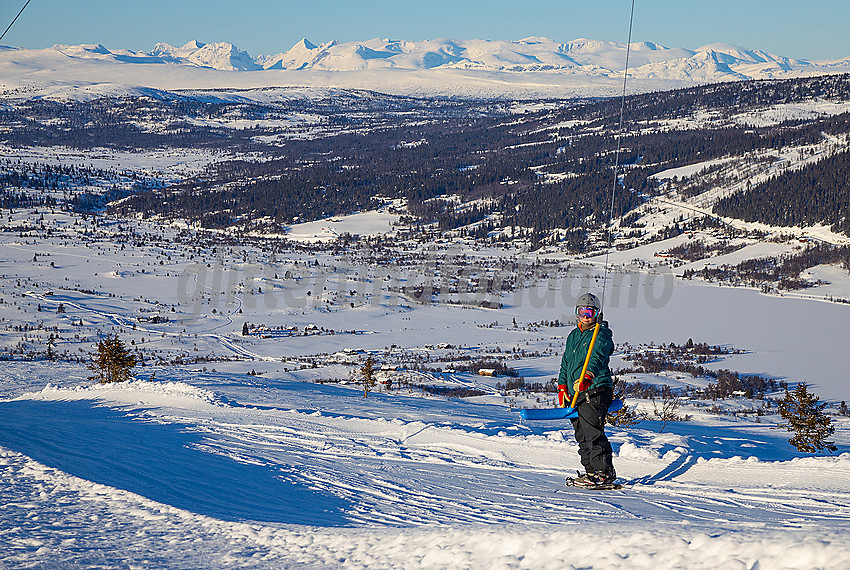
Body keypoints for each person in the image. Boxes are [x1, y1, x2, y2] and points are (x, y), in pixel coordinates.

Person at [558, 292, 616, 486]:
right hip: (575, 392)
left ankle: (604, 472)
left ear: (597, 313)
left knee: (592, 431)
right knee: (581, 433)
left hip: (595, 388)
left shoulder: (601, 334)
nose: (585, 316)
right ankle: (590, 471)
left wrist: (588, 377)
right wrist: (562, 385)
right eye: (582, 311)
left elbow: (597, 357)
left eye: (590, 312)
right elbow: (566, 362)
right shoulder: (574, 335)